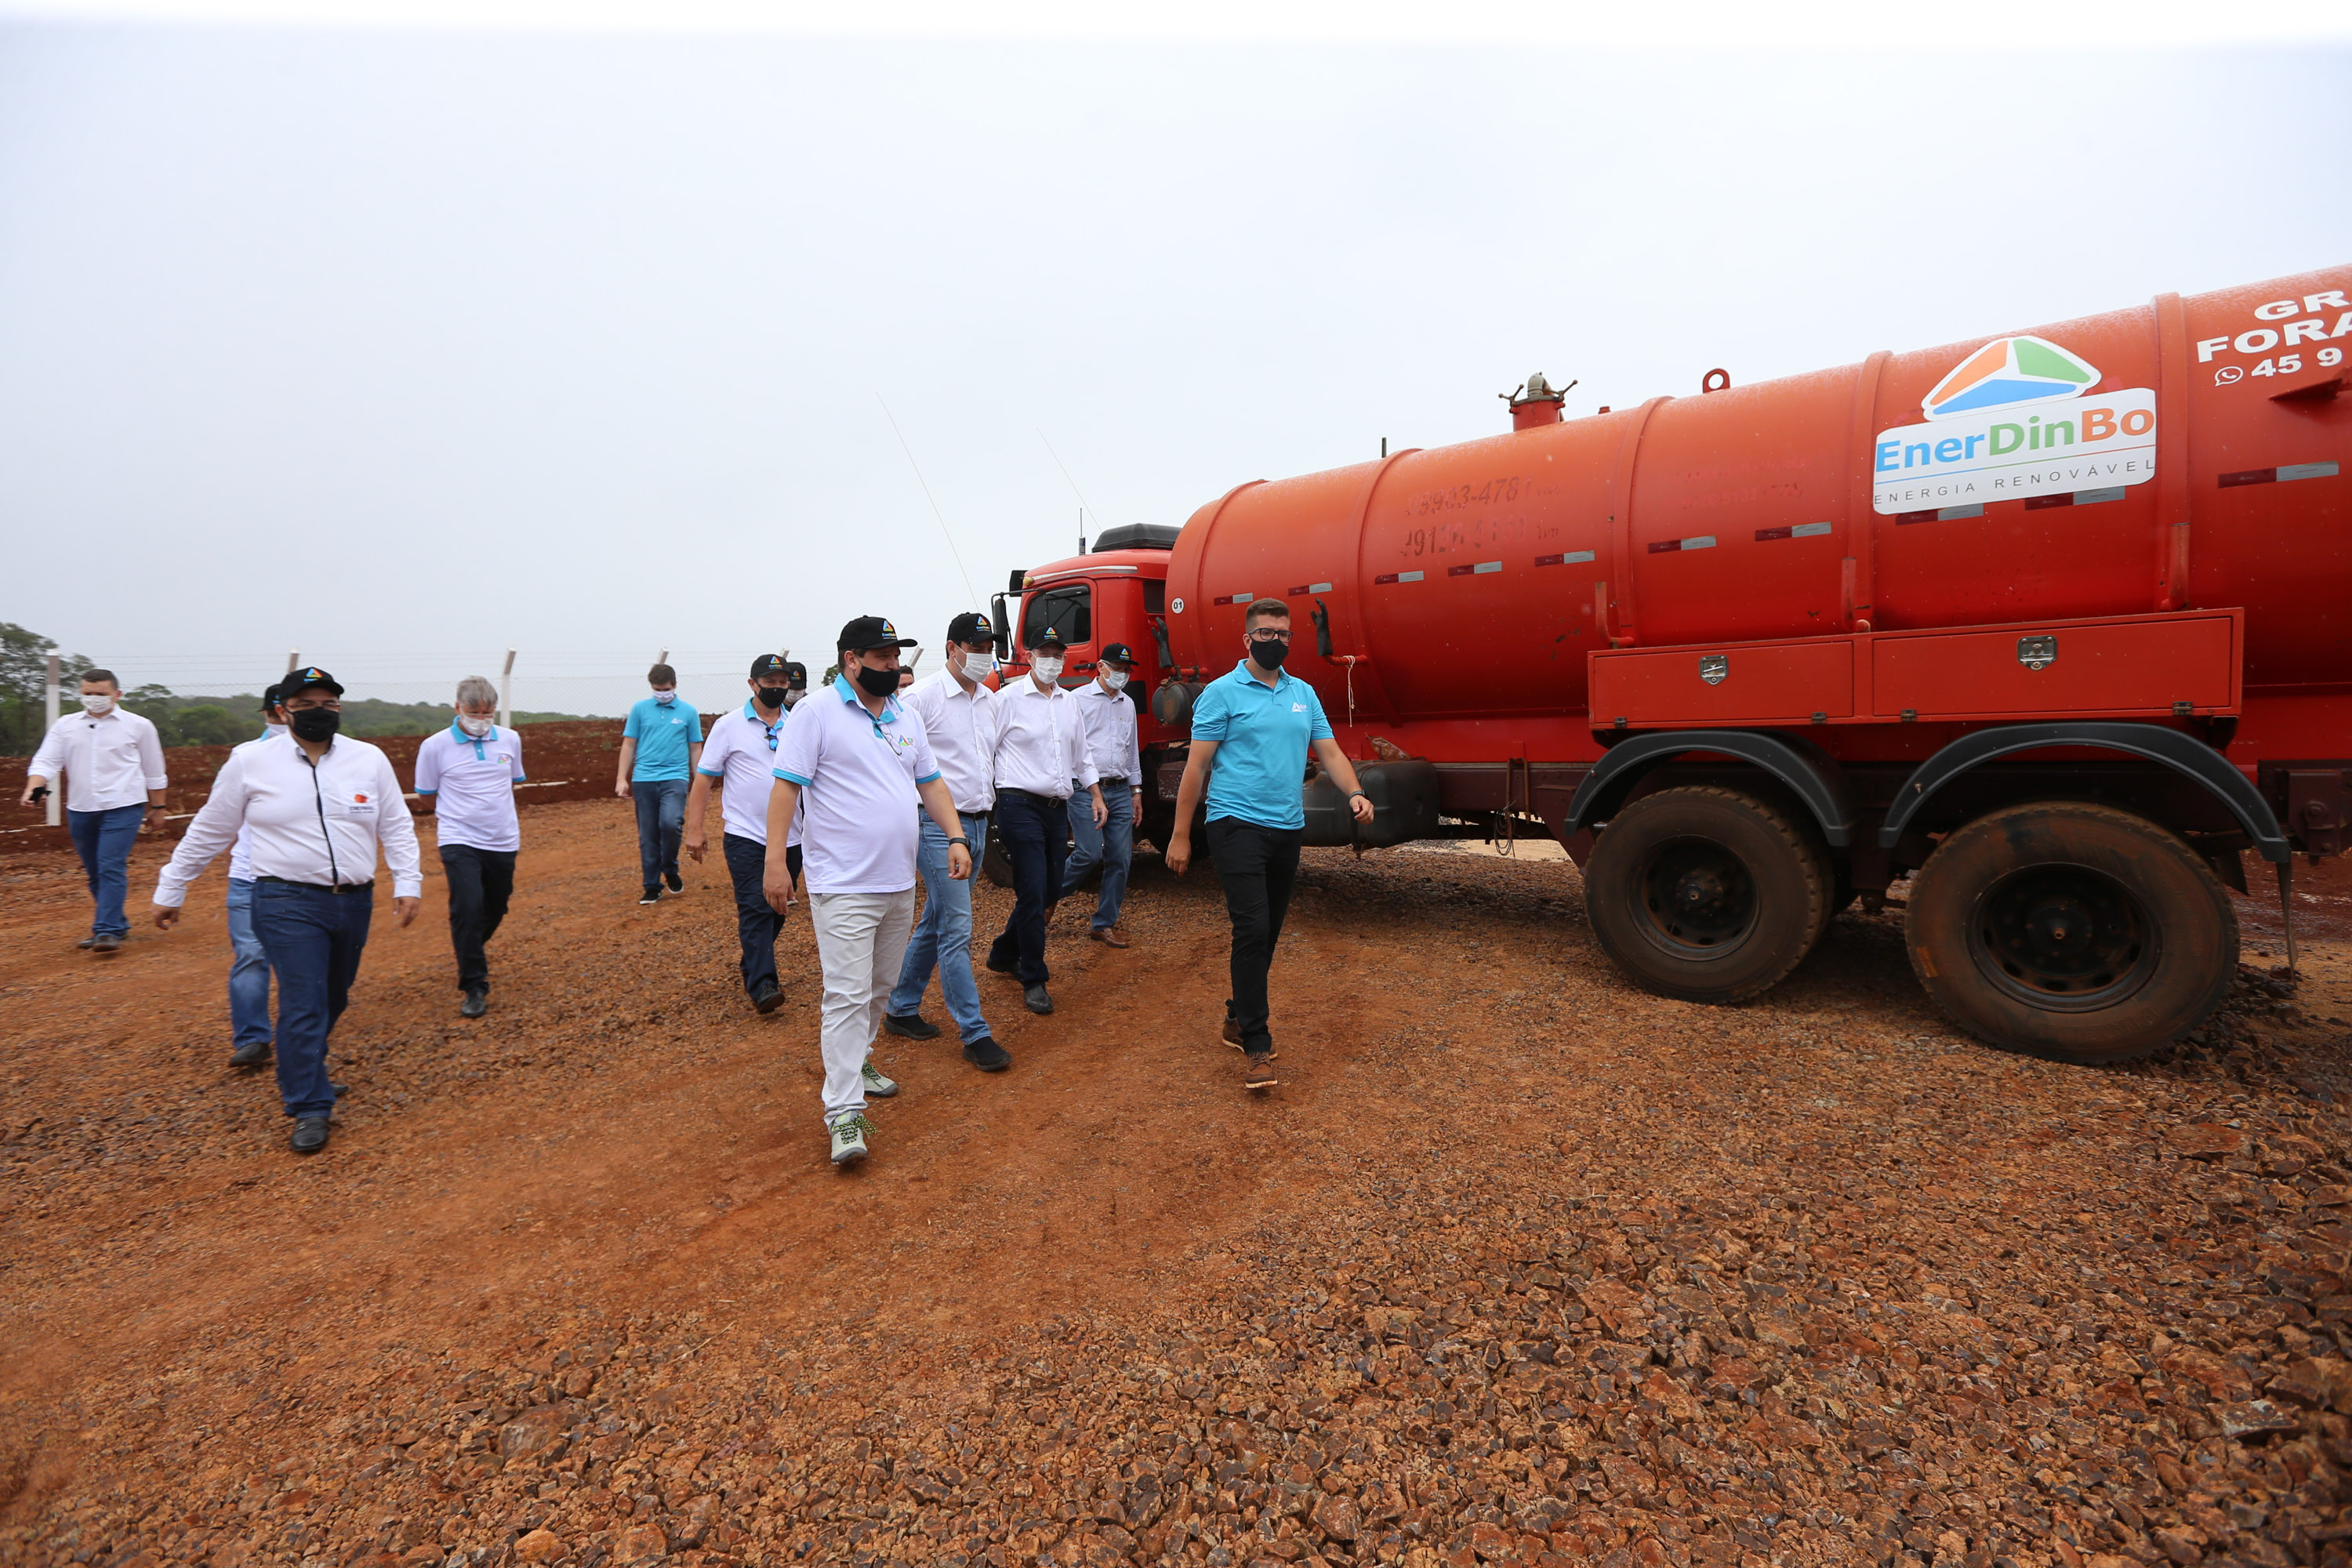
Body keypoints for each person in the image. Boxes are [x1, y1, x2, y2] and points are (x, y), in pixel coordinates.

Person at [153, 667, 422, 1154]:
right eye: (307, 705)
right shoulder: (250, 762)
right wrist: (173, 884)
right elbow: (212, 828)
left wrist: (408, 881)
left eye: (330, 704)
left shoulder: (368, 759)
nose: (321, 712)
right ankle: (309, 1104)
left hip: (353, 900)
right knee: (304, 999)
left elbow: (396, 824)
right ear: (282, 711)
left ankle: (304, 1065)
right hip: (284, 900)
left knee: (335, 995)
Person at [763, 617, 971, 1167]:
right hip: (842, 884)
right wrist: (776, 861)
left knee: (880, 988)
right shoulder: (816, 713)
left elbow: (930, 781)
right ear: (851, 660)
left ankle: (857, 1061)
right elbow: (786, 789)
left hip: (898, 880)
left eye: (895, 657)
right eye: (882, 658)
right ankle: (844, 1113)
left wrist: (954, 835)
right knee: (847, 995)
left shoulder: (904, 714)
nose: (893, 666)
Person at [1165, 600, 1373, 1092]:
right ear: (1247, 639)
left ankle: (1238, 1012)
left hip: (1286, 826)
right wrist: (1179, 834)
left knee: (1269, 931)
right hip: (1235, 824)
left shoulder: (1303, 693)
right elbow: (1196, 768)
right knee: (1253, 927)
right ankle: (1255, 1041)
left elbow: (1329, 752)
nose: (1275, 641)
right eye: (1265, 633)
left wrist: (1355, 792)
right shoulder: (1220, 694)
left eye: (1283, 634)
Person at [884, 612, 1012, 1071]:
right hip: (937, 827)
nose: (983, 655)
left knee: (937, 919)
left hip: (977, 825)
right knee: (957, 929)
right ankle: (974, 1032)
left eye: (988, 647)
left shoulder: (990, 700)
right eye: (975, 647)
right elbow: (896, 760)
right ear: (951, 649)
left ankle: (900, 1007)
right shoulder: (920, 698)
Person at [983, 630, 1105, 1017]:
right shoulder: (1007, 700)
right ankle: (1034, 977)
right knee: (1033, 889)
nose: (1052, 660)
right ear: (1030, 656)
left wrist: (1096, 793)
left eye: (1058, 654)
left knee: (1050, 888)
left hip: (1056, 808)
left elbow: (1082, 754)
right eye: (1045, 653)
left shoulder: (1069, 703)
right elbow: (985, 750)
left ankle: (1003, 952)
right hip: (1018, 804)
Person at [684, 654, 801, 1014]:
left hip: (793, 837)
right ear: (753, 684)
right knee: (755, 905)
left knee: (778, 908)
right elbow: (704, 778)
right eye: (770, 683)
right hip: (745, 835)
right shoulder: (728, 726)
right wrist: (694, 829)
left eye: (783, 683)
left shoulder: (798, 723)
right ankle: (764, 984)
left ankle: (753, 959)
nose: (778, 688)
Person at [22, 668, 169, 956]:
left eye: (101, 694)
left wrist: (158, 808)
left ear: (117, 694)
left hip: (124, 805)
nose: (94, 699)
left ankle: (106, 930)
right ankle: (117, 923)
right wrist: (34, 789)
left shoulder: (139, 726)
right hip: (81, 807)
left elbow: (154, 770)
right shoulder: (66, 726)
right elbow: (46, 762)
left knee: (110, 865)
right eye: (88, 693)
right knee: (94, 870)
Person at [413, 676, 525, 1018]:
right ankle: (474, 984)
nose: (481, 719)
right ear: (458, 708)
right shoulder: (435, 746)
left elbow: (511, 781)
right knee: (468, 906)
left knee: (497, 906)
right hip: (458, 838)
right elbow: (426, 794)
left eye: (487, 712)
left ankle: (469, 947)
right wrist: (458, 814)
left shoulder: (510, 739)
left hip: (502, 838)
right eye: (474, 712)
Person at [1060, 641, 1145, 948]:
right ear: (1100, 667)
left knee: (1121, 858)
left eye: (1126, 670)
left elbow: (1131, 750)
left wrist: (1136, 791)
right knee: (1088, 853)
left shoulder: (1127, 703)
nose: (1122, 674)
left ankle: (1104, 923)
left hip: (1120, 789)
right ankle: (1045, 897)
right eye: (1117, 669)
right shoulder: (1076, 700)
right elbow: (1068, 748)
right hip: (1085, 790)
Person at [223, 683, 290, 1069]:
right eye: (276, 712)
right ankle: (253, 1038)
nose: (282, 719)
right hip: (249, 873)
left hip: (303, 879)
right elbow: (218, 820)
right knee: (250, 954)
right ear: (267, 714)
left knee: (306, 963)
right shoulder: (244, 757)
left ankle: (303, 1033)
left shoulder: (334, 757)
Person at [615, 662, 702, 905]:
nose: (661, 693)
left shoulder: (688, 712)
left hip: (675, 777)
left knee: (671, 823)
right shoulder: (640, 710)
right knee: (648, 834)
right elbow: (629, 744)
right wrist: (621, 778)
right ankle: (652, 886)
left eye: (665, 689)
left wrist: (699, 779)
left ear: (674, 685)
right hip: (644, 778)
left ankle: (670, 867)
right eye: (657, 689)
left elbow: (695, 747)